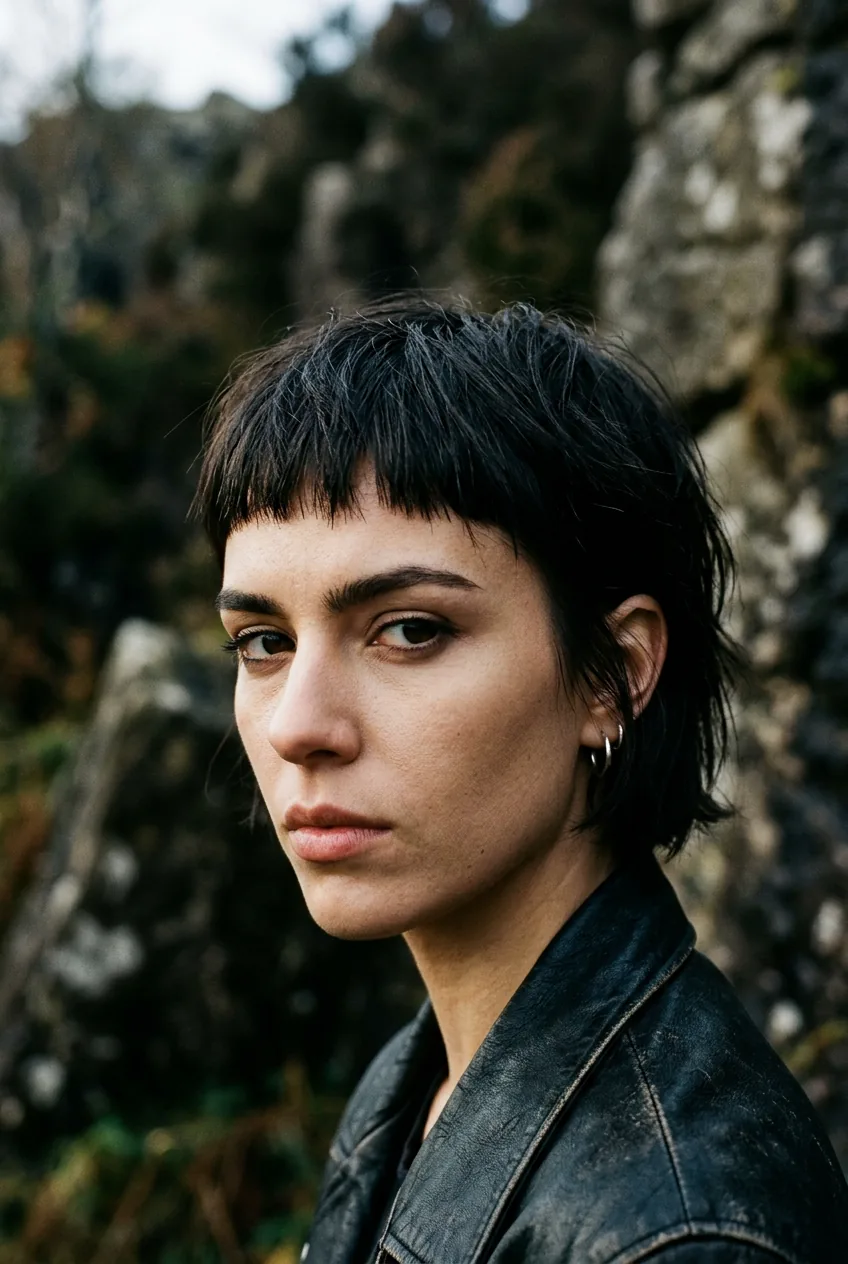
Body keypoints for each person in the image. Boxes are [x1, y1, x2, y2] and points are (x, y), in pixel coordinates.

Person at [194, 298, 848, 1264]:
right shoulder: (421, 1075)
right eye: (264, 643)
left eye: (409, 630)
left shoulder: (678, 1233)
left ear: (613, 675)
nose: (298, 725)